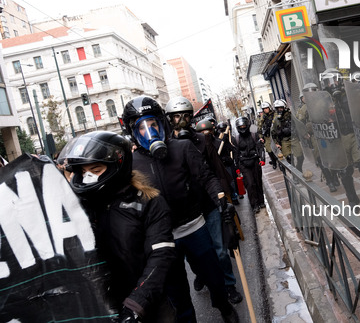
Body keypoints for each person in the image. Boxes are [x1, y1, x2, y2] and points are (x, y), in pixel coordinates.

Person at [122, 96, 238, 323]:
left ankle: (224, 307)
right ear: (133, 133)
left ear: (161, 124)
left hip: (195, 227)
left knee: (214, 278)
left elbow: (207, 178)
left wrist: (222, 200)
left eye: (152, 124)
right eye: (141, 127)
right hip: (163, 240)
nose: (149, 131)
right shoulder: (131, 165)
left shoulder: (183, 148)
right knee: (177, 294)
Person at [59, 131, 176, 323]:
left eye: (95, 171)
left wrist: (136, 305)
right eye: (83, 172)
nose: (88, 178)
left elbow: (161, 256)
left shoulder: (150, 202)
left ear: (118, 165)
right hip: (102, 307)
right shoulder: (81, 207)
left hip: (146, 304)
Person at [165, 97, 243, 305]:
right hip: (187, 211)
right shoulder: (166, 147)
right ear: (170, 119)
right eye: (176, 116)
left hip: (208, 205)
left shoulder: (202, 140)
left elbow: (215, 172)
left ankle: (229, 285)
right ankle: (201, 273)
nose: (182, 120)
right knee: (196, 254)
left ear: (192, 117)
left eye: (186, 115)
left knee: (219, 249)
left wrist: (225, 199)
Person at [320, 68, 360, 206]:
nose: (333, 84)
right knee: (344, 171)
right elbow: (319, 120)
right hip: (339, 139)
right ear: (325, 84)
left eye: (336, 79)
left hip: (355, 135)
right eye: (329, 82)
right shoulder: (324, 102)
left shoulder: (351, 94)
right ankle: (353, 199)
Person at [297, 83, 339, 192]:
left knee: (333, 156)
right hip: (316, 136)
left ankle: (334, 176)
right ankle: (329, 181)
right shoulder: (303, 109)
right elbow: (300, 124)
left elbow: (334, 114)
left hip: (328, 132)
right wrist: (305, 133)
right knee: (320, 158)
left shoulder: (325, 103)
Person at [235, 116, 266, 213]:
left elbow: (260, 147)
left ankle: (261, 201)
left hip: (255, 161)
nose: (243, 128)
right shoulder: (236, 139)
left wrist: (262, 158)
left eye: (244, 126)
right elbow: (235, 154)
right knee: (250, 183)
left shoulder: (254, 134)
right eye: (241, 126)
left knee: (258, 182)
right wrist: (237, 168)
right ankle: (254, 204)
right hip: (244, 164)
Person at [271, 99, 304, 173]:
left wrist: (304, 134)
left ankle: (298, 168)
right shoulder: (276, 119)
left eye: (281, 108)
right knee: (289, 158)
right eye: (277, 108)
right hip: (284, 141)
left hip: (294, 138)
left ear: (284, 107)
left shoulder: (290, 115)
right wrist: (276, 143)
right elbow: (273, 132)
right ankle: (295, 175)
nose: (279, 110)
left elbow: (298, 124)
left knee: (300, 157)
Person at [257, 101, 279, 169]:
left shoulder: (274, 114)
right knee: (269, 150)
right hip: (267, 136)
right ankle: (274, 162)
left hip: (275, 135)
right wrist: (261, 137)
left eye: (266, 108)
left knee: (277, 150)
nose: (265, 110)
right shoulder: (262, 117)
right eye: (264, 109)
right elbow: (259, 127)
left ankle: (280, 163)